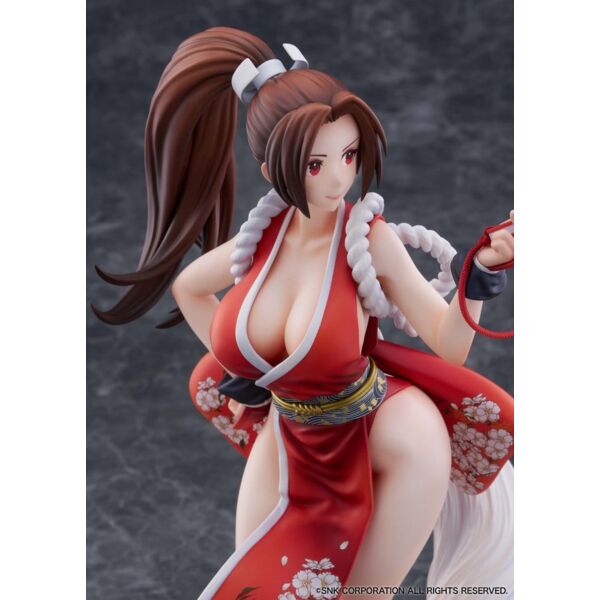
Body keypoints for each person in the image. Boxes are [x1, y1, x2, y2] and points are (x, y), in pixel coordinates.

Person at [93, 27, 514, 600]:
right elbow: (189, 287)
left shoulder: (368, 238)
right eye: (316, 164)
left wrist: (480, 273)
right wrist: (245, 369)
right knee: (250, 585)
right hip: (291, 431)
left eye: (349, 154)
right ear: (272, 169)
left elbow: (450, 342)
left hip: (391, 437)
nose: (340, 178)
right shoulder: (262, 237)